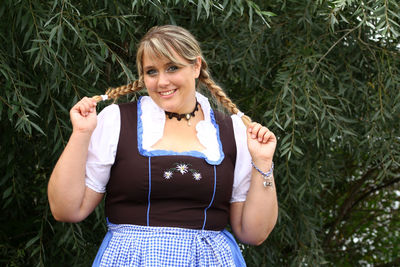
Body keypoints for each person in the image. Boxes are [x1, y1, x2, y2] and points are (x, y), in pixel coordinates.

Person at [47, 25, 278, 266]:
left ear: (196, 66)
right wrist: (81, 133)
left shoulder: (233, 132)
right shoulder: (117, 121)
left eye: (172, 68)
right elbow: (67, 209)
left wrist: (263, 161)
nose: (162, 81)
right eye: (151, 72)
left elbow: (253, 233)